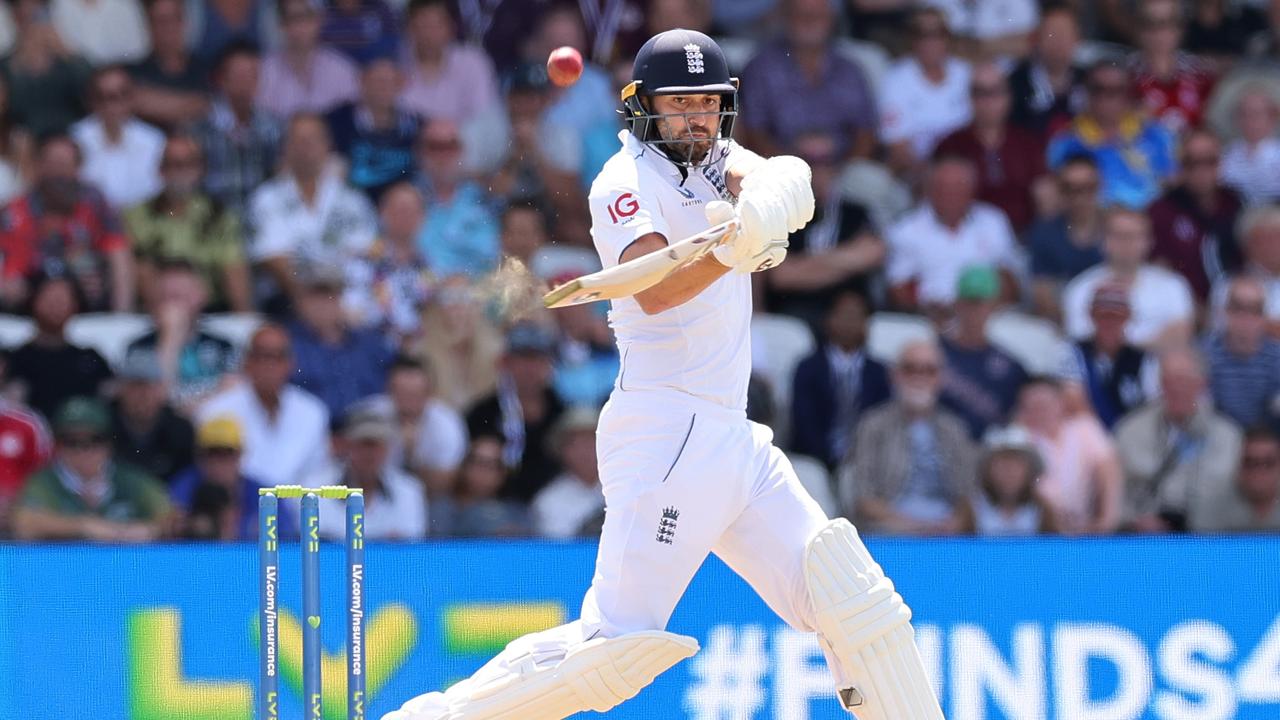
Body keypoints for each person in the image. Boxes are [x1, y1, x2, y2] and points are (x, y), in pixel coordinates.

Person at [384, 29, 946, 720]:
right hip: (666, 433)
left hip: (732, 436)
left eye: (707, 104)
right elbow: (655, 286)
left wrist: (775, 193)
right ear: (644, 109)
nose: (695, 119)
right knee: (613, 651)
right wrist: (737, 247)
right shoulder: (624, 183)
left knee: (854, 601)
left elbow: (769, 173)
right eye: (679, 105)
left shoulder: (712, 156)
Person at [840, 338, 976, 536]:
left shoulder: (955, 428)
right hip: (890, 530)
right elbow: (863, 498)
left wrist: (955, 523)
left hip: (945, 531)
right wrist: (912, 526)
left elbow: (967, 495)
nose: (919, 377)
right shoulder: (873, 425)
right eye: (910, 369)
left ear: (941, 378)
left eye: (929, 370)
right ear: (895, 375)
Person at [248, 113, 377, 309]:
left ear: (328, 146)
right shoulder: (266, 198)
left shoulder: (353, 200)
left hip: (346, 303)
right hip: (287, 302)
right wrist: (313, 303)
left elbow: (362, 255)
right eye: (299, 140)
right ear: (286, 147)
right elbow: (274, 259)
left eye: (313, 139)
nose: (306, 147)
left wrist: (334, 304)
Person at [0, 134, 134, 312]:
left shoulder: (94, 203)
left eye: (65, 165)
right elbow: (11, 265)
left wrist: (121, 314)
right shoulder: (16, 211)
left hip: (88, 295)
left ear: (78, 168)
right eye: (52, 165)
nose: (59, 174)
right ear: (39, 166)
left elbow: (117, 249)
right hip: (32, 299)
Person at [1115, 346, 1241, 532]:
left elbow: (1235, 496)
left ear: (1203, 383)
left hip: (1208, 541)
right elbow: (1113, 490)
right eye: (1168, 380)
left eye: (1183, 380)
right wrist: (1132, 520)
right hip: (1145, 539)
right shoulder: (1129, 430)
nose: (1175, 388)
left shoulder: (1229, 436)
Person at [763, 131, 884, 325]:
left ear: (837, 166)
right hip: (795, 317)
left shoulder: (856, 212)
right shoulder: (778, 213)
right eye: (808, 161)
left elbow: (873, 253)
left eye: (826, 160)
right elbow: (781, 275)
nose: (817, 169)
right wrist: (850, 258)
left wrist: (804, 266)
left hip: (852, 321)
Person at [11, 396, 170, 542]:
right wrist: (83, 526)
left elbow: (171, 517)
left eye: (94, 440)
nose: (83, 451)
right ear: (57, 445)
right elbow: (24, 522)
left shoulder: (132, 479)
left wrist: (149, 529)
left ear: (109, 443)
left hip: (126, 568)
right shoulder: (43, 482)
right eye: (71, 441)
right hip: (61, 568)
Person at [123, 133, 251, 313]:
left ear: (201, 170)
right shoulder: (136, 215)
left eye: (188, 164)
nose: (180, 171)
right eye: (173, 164)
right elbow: (137, 268)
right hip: (154, 311)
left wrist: (243, 321)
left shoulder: (220, 215)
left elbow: (234, 268)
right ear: (160, 170)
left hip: (208, 310)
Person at [738, 0, 877, 160]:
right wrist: (795, 171)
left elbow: (866, 132)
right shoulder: (760, 68)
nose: (809, 20)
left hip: (842, 171)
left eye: (817, 15)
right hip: (778, 169)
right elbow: (753, 133)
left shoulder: (849, 70)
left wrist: (839, 172)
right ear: (786, 18)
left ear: (831, 19)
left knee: (869, 181)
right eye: (800, 14)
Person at [197, 324, 331, 490]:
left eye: (278, 357)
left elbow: (316, 474)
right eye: (263, 356)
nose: (270, 365)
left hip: (296, 507)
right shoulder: (216, 411)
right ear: (247, 362)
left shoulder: (313, 412)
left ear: (291, 363)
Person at [886, 153, 1021, 316]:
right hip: (928, 318)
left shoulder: (993, 221)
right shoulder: (904, 229)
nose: (951, 195)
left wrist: (979, 311)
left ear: (972, 190)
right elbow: (898, 289)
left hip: (987, 315)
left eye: (959, 187)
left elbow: (1009, 281)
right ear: (930, 190)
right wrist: (929, 310)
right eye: (943, 188)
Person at [934, 61, 1048, 233]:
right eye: (980, 93)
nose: (987, 101)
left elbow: (1045, 197)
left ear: (1008, 97)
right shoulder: (951, 145)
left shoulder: (1027, 144)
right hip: (965, 237)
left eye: (995, 92)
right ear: (970, 98)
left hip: (1023, 236)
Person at [1047, 60, 1177, 210]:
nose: (1105, 98)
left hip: (1148, 224)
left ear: (1128, 94)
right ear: (1087, 92)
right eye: (1098, 89)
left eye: (1115, 90)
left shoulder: (1157, 135)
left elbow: (1172, 184)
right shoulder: (1065, 142)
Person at [1062, 207, 1195, 348]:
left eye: (1134, 236)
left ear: (1149, 241)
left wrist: (1121, 346)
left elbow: (1180, 337)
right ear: (1104, 240)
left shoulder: (1173, 285)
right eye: (1119, 236)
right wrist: (1150, 345)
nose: (1126, 243)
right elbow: (1083, 341)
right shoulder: (1081, 288)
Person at [463, 322, 565, 503]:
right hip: (494, 510)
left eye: (537, 359)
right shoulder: (481, 414)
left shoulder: (563, 412)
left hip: (555, 507)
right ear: (505, 363)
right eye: (522, 358)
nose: (529, 368)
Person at [790, 289, 891, 468]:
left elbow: (882, 418)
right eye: (844, 315)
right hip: (816, 458)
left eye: (858, 316)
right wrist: (828, 458)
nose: (850, 322)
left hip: (866, 460)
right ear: (828, 319)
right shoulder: (808, 368)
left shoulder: (879, 372)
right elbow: (803, 421)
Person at [122, 258, 238, 409]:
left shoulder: (222, 346)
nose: (172, 306)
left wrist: (192, 407)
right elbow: (154, 400)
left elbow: (235, 391)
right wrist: (170, 339)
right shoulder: (138, 348)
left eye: (178, 296)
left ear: (201, 296)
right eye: (165, 297)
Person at [1015, 376, 1123, 534]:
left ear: (1061, 403)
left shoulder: (1084, 428)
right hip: (1037, 530)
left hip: (1084, 527)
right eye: (1031, 407)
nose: (1039, 412)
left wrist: (1106, 519)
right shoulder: (1018, 438)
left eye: (1044, 405)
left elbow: (1108, 469)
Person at [286, 263, 395, 419]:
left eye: (328, 295)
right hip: (317, 433)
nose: (322, 304)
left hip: (373, 432)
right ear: (300, 302)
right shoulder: (287, 345)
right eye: (314, 296)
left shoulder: (370, 344)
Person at [1146, 129, 1243, 302]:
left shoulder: (1237, 203)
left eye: (1209, 161)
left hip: (1238, 310)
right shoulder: (1160, 212)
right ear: (1179, 166)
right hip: (1183, 311)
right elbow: (1159, 273)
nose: (1201, 170)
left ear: (1221, 163)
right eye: (1191, 163)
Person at [879, 7, 972, 180]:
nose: (930, 41)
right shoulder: (896, 79)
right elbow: (897, 147)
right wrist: (934, 178)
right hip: (916, 175)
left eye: (938, 33)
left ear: (948, 37)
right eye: (922, 34)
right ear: (911, 39)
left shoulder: (965, 74)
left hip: (963, 171)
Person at [939, 266, 1030, 440]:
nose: (974, 311)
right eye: (968, 302)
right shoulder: (933, 354)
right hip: (945, 448)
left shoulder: (1011, 367)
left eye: (980, 303)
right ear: (957, 303)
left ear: (993, 306)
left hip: (990, 454)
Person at [5, 272, 113, 420]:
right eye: (50, 297)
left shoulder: (91, 358)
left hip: (79, 440)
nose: (56, 305)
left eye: (63, 298)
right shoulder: (14, 360)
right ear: (33, 301)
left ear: (75, 305)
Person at [194, 40, 283, 216]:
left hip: (262, 220)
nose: (246, 81)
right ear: (221, 79)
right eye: (239, 75)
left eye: (252, 74)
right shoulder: (199, 129)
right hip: (216, 223)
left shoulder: (273, 127)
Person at [317, 403, 427, 540]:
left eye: (375, 445)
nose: (369, 453)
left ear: (387, 448)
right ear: (347, 446)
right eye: (363, 444)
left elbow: (410, 550)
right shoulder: (316, 490)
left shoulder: (409, 491)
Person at [169, 416, 286, 540]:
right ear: (198, 456)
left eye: (227, 453)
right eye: (211, 453)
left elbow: (288, 536)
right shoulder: (182, 490)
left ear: (240, 454)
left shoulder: (264, 497)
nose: (218, 463)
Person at [344, 181, 434, 343]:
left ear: (422, 217)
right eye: (399, 211)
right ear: (382, 213)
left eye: (411, 211)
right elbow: (351, 316)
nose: (405, 217)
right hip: (373, 349)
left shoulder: (428, 265)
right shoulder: (362, 260)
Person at [326, 56, 422, 202]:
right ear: (362, 82)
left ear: (401, 85)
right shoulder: (336, 121)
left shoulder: (417, 124)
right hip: (350, 202)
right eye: (378, 81)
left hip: (400, 206)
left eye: (390, 82)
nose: (383, 88)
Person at [70, 65, 166, 210]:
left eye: (120, 96)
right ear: (92, 101)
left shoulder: (154, 141)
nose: (111, 105)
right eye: (103, 97)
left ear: (132, 98)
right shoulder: (75, 138)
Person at [369, 356, 467, 497]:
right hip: (377, 495)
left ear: (429, 393)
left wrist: (411, 455)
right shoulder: (371, 415)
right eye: (402, 394)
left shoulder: (447, 423)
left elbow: (444, 484)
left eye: (415, 395)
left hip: (429, 498)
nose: (408, 403)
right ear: (389, 390)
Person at [413, 119, 500, 279]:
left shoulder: (485, 199)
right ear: (420, 152)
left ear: (461, 150)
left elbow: (496, 255)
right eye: (435, 147)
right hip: (421, 292)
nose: (443, 155)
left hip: (477, 291)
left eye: (450, 146)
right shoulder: (406, 200)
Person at [1026, 154, 1106, 323]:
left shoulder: (1117, 228)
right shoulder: (1044, 233)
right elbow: (1043, 298)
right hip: (1063, 325)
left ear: (1100, 186)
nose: (1080, 197)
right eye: (1070, 189)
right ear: (1059, 190)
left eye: (1088, 187)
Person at [1062, 284, 1153, 429]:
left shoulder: (1144, 360)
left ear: (1128, 317)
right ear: (1091, 315)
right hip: (1089, 436)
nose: (1109, 323)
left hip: (1131, 436)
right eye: (1103, 316)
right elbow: (1074, 401)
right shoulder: (1073, 352)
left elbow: (1151, 406)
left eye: (1116, 317)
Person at [397, 0, 500, 127]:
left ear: (451, 27)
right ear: (409, 28)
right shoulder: (394, 64)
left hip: (462, 143)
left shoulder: (474, 62)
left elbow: (483, 117)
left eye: (436, 26)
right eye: (422, 25)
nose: (429, 34)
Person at [1, 0, 92, 138]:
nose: (32, 22)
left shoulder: (70, 60)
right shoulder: (6, 66)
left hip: (72, 137)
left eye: (37, 14)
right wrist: (17, 65)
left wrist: (65, 51)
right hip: (24, 142)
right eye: (24, 15)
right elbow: (12, 110)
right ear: (14, 17)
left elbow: (92, 92)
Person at [256, 0, 359, 119]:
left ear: (320, 20)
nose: (301, 26)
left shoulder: (342, 68)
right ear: (282, 25)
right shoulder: (265, 70)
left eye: (308, 17)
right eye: (294, 18)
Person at [1202, 276, 1280, 429]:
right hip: (1218, 435)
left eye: (1254, 309)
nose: (1246, 317)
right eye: (1237, 307)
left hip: (1266, 438)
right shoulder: (1203, 352)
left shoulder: (1277, 356)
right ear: (1224, 311)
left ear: (1264, 316)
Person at [1130, 0, 1216, 136]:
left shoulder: (1201, 74)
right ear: (1137, 28)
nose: (1160, 32)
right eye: (1150, 24)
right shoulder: (1124, 77)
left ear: (1181, 27)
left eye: (1169, 22)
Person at [956, 425, 1059, 536]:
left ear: (1030, 470)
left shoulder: (1043, 510)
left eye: (1016, 465)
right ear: (987, 470)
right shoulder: (972, 509)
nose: (1009, 473)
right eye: (1002, 465)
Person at [108, 353, 194, 484]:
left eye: (148, 387)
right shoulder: (103, 426)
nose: (142, 395)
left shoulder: (181, 431)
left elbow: (189, 480)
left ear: (161, 389)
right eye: (135, 386)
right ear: (121, 390)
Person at [1007, 4, 1087, 138]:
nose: (1059, 42)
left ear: (1078, 39)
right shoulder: (1015, 83)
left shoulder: (1089, 81)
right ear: (1037, 40)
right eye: (1052, 34)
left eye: (1065, 34)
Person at [127, 0, 209, 129]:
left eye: (174, 19)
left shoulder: (203, 69)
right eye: (161, 21)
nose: (169, 28)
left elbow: (209, 105)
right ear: (149, 26)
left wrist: (154, 102)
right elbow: (133, 100)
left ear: (185, 23)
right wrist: (190, 105)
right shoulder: (134, 72)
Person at [431, 435, 529, 537]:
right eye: (477, 462)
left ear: (503, 473)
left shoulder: (517, 513)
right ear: (464, 465)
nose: (482, 471)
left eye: (491, 465)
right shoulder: (440, 510)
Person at [530, 407, 604, 539]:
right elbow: (558, 554)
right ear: (561, 450)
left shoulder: (629, 490)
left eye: (592, 441)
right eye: (577, 443)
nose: (586, 451)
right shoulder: (548, 501)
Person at [1199, 427, 1280, 532]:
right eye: (1250, 462)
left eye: (1268, 463)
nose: (1259, 471)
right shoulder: (1211, 506)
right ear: (1237, 464)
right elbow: (1205, 547)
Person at [1220, 86, 1280, 207]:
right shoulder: (1227, 154)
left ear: (1272, 118)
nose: (1250, 120)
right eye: (1244, 114)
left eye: (1256, 114)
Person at [51, 0, 147, 66]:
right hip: (78, 78)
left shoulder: (125, 4)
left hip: (128, 73)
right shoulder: (60, 4)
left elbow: (138, 50)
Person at [320, 0, 399, 65]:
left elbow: (391, 42)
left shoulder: (380, 8)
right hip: (333, 70)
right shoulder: (322, 11)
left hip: (373, 71)